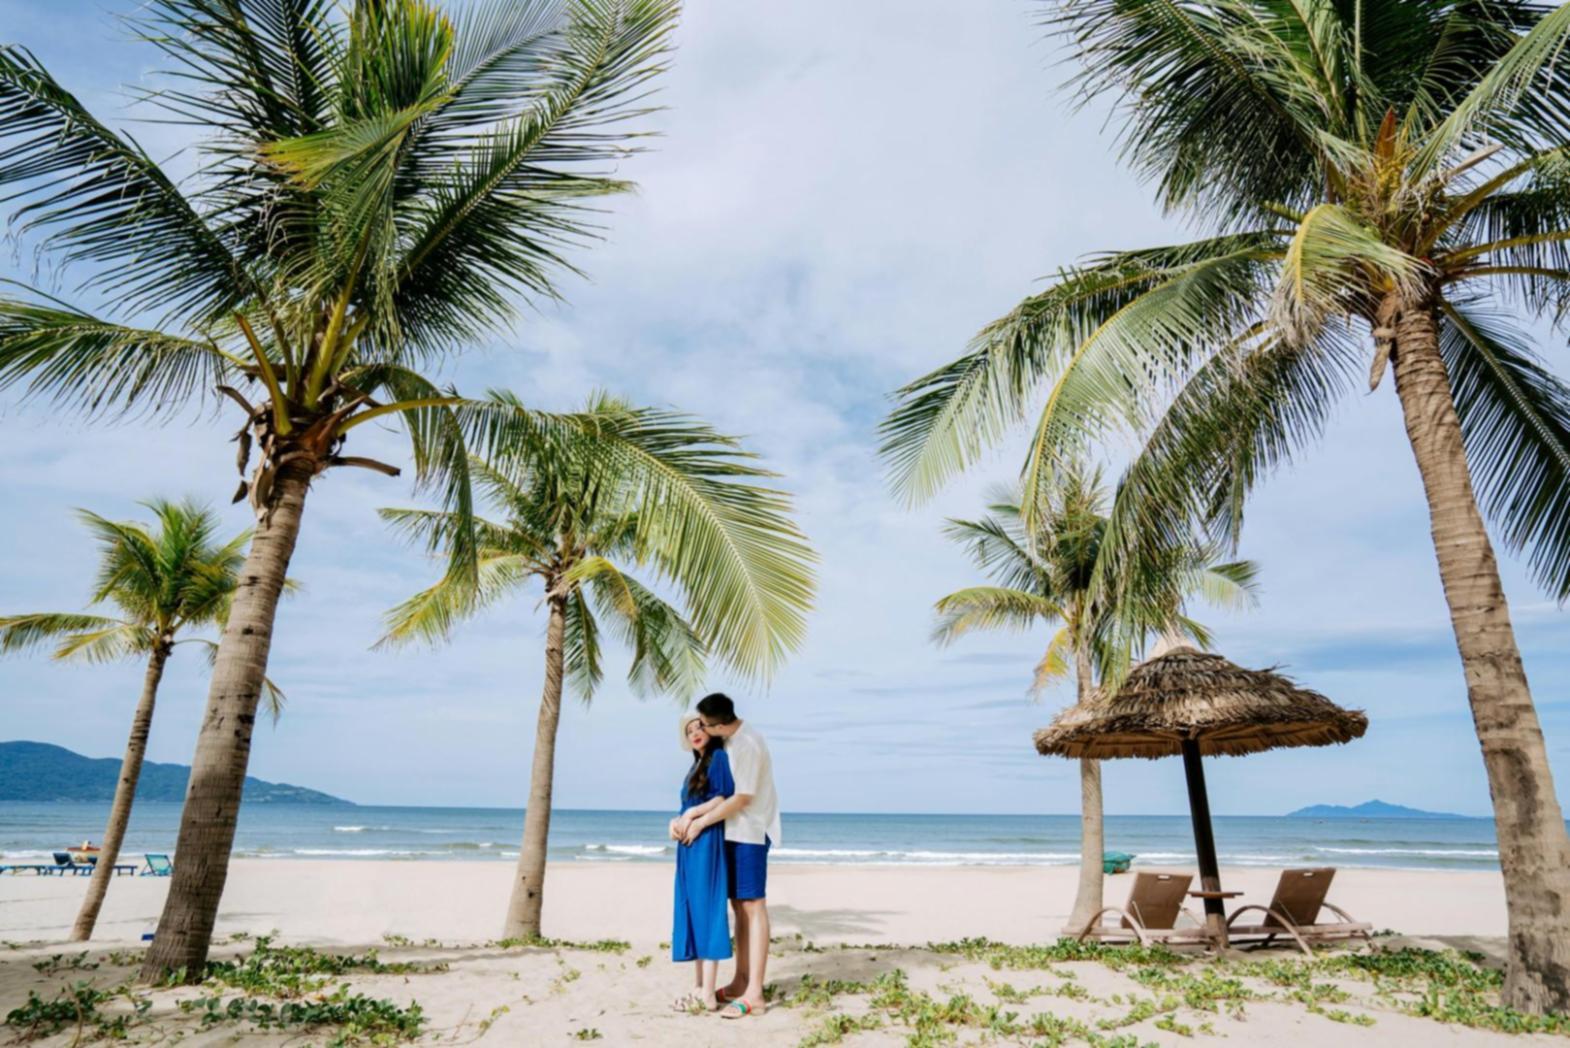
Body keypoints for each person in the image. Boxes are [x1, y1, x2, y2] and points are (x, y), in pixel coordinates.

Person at [676, 692, 779, 1020]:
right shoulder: (729, 743)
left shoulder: (746, 744)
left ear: (720, 724)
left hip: (749, 832)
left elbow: (742, 798)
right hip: (730, 833)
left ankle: (755, 994)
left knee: (754, 907)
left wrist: (701, 819)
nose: (701, 730)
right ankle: (740, 981)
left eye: (705, 725)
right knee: (738, 907)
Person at [668, 714, 733, 1013]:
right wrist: (675, 822)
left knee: (707, 912)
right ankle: (698, 986)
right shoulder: (694, 766)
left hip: (707, 842)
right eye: (689, 730)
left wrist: (693, 816)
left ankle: (708, 993)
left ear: (710, 730)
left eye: (699, 727)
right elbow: (685, 807)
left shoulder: (718, 757)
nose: (694, 732)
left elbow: (723, 798)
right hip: (688, 847)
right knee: (692, 911)